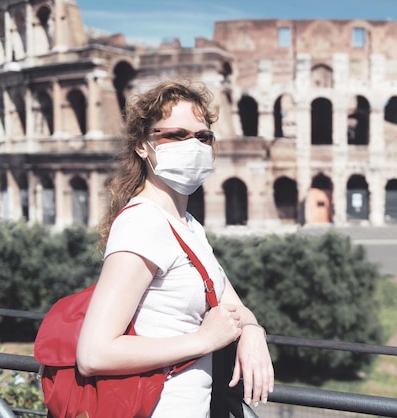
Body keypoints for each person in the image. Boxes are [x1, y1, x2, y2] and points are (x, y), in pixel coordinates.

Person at [76, 80, 274, 417]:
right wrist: (205, 340)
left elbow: (234, 309)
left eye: (203, 136)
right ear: (142, 145)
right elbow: (94, 354)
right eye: (176, 134)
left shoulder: (187, 225)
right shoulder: (143, 223)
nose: (193, 144)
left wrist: (254, 331)